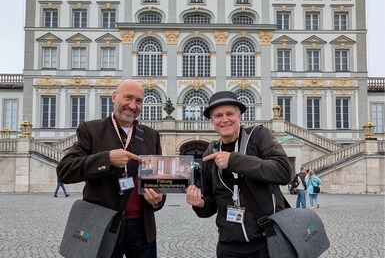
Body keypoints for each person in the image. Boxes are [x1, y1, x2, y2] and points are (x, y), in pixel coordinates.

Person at [57, 79, 166, 258]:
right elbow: (65, 170)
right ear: (114, 97)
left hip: (142, 228)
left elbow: (159, 181)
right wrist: (106, 159)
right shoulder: (91, 130)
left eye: (139, 101)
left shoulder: (151, 135)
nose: (133, 105)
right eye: (128, 97)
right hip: (101, 224)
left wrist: (158, 199)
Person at [186, 91, 292, 258]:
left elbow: (283, 172)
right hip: (229, 245)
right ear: (212, 121)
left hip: (267, 240)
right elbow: (211, 203)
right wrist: (199, 204)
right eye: (218, 115)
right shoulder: (210, 152)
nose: (224, 119)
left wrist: (234, 160)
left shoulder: (258, 136)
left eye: (230, 113)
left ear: (240, 115)